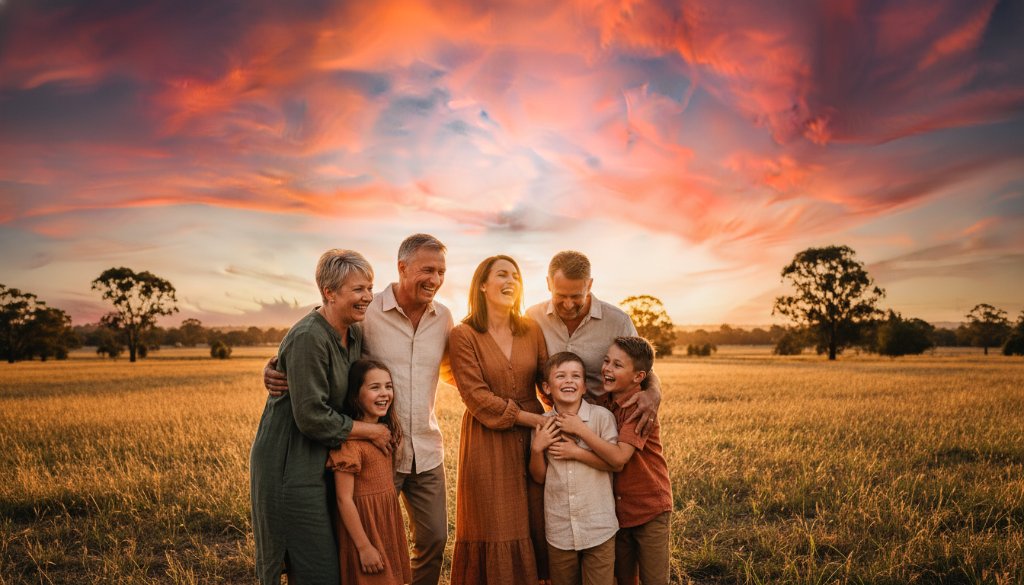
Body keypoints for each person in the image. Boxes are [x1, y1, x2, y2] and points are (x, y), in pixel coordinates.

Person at [264, 234, 453, 585]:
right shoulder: (367, 315)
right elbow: (319, 328)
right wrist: (277, 364)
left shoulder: (442, 318)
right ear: (402, 268)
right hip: (370, 451)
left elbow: (455, 369)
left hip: (424, 449)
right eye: (428, 269)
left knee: (432, 539)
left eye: (442, 271)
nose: (436, 279)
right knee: (362, 542)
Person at [250, 249, 393, 584]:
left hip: (322, 460)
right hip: (290, 467)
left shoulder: (353, 332)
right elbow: (312, 416)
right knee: (318, 570)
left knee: (328, 562)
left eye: (370, 288)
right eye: (358, 289)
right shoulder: (308, 337)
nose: (367, 297)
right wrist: (371, 432)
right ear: (329, 292)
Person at [447, 255, 550, 585]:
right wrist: (530, 419)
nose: (511, 281)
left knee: (536, 518)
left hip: (535, 441)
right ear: (482, 285)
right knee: (495, 522)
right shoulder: (463, 335)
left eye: (516, 276)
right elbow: (475, 396)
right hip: (487, 439)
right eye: (502, 274)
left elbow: (547, 380)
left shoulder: (531, 329)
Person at [556, 337, 673, 585]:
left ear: (638, 376)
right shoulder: (604, 405)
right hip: (619, 512)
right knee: (623, 578)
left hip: (649, 506)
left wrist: (580, 431)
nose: (607, 369)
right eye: (606, 361)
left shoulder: (639, 407)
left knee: (654, 578)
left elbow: (619, 457)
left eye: (617, 365)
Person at [525, 251, 663, 436]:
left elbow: (644, 369)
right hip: (556, 424)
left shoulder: (617, 321)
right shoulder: (533, 317)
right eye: (561, 296)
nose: (568, 304)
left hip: (607, 426)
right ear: (548, 284)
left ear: (589, 285)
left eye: (575, 296)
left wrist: (654, 392)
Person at [529, 352, 618, 585]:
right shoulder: (543, 424)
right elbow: (539, 477)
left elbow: (614, 463)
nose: (569, 381)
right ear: (547, 387)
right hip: (560, 530)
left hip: (598, 526)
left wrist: (577, 452)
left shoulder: (601, 418)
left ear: (584, 386)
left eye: (576, 376)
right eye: (561, 376)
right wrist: (537, 450)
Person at [329, 360, 412, 585]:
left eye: (388, 386)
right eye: (375, 387)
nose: (384, 393)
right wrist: (364, 547)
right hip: (364, 531)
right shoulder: (350, 444)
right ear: (356, 395)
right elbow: (343, 499)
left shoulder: (385, 435)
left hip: (385, 527)